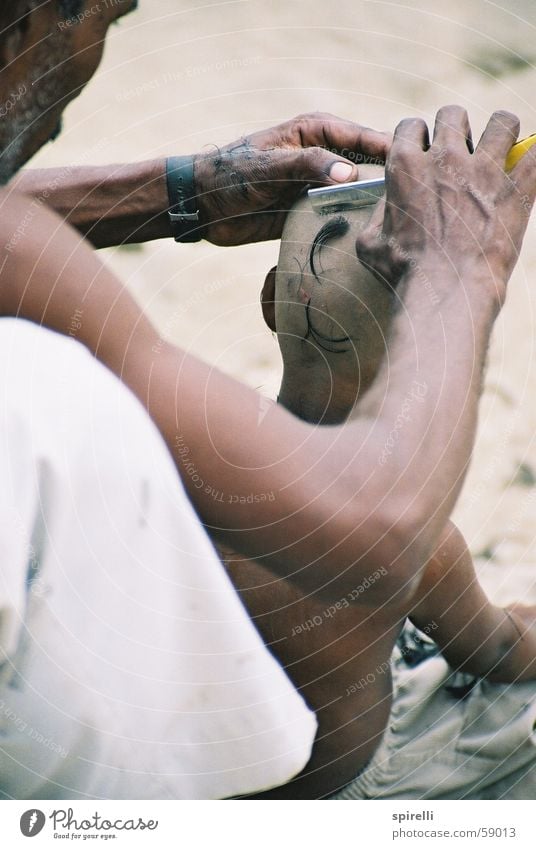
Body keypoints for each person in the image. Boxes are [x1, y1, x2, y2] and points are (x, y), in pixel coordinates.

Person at [1, 0, 536, 800]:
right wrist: (457, 274)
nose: (99, 50)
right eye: (105, 19)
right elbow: (408, 554)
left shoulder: (213, 456)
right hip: (353, 781)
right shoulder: (388, 524)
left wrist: (186, 190)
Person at [218, 188, 536, 799]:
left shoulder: (206, 460)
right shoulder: (414, 536)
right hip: (337, 791)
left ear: (268, 302)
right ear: (422, 349)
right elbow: (491, 650)